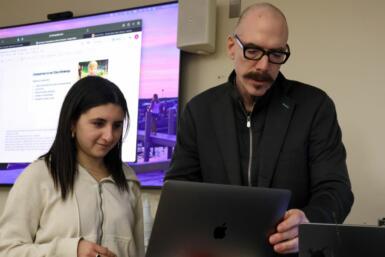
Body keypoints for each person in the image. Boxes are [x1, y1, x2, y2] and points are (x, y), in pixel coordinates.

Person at [165, 2, 353, 256]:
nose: (264, 66)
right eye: (253, 50)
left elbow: (336, 189)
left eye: (276, 54)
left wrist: (310, 221)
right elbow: (179, 189)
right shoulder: (199, 111)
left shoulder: (315, 106)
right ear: (232, 47)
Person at [0, 76, 144, 257]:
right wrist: (70, 250)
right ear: (72, 123)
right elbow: (7, 251)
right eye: (98, 123)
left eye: (116, 125)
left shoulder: (128, 180)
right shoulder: (39, 176)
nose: (109, 136)